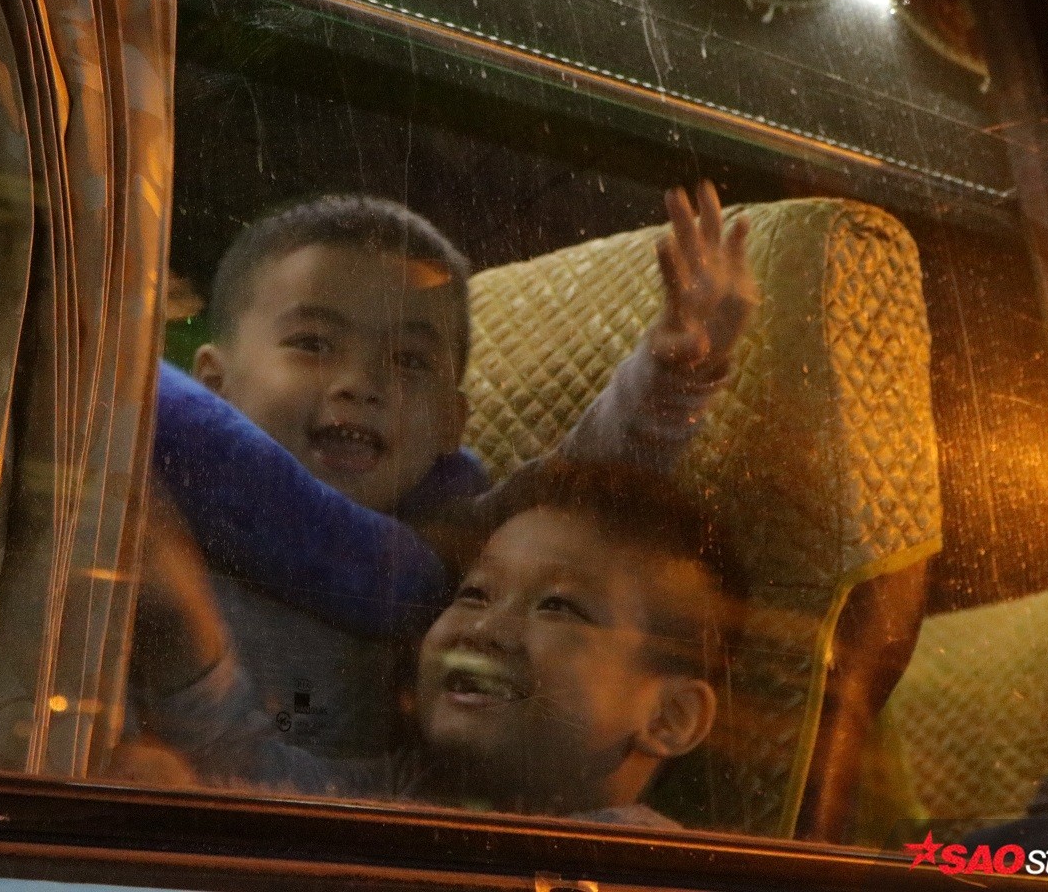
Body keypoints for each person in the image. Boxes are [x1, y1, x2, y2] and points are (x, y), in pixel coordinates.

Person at [147, 183, 754, 756]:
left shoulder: (454, 548)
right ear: (212, 383)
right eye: (313, 343)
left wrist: (675, 377)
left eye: (410, 360)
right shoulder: (147, 507)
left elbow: (578, 491)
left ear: (451, 423)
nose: (363, 383)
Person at [128, 457, 747, 826]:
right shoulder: (403, 789)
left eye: (558, 607)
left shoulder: (639, 860)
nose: (483, 629)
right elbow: (252, 774)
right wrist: (183, 623)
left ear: (670, 717)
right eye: (473, 594)